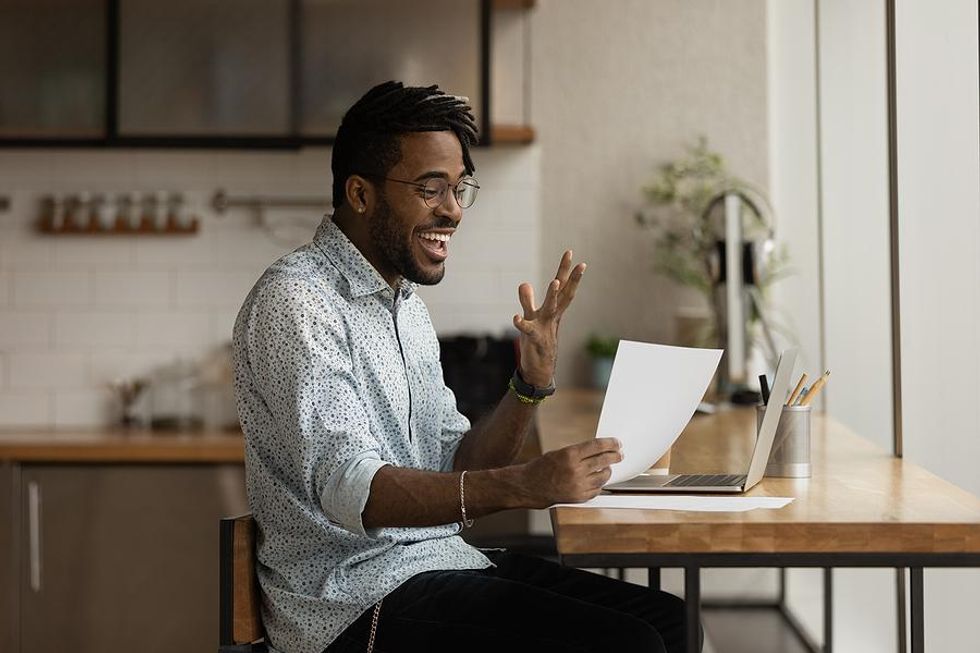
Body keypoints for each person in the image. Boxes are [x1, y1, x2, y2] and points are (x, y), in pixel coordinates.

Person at [233, 81, 694, 653]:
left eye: (458, 189)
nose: (452, 211)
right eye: (431, 189)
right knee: (627, 643)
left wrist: (529, 384)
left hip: (436, 564)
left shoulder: (405, 307)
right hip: (350, 602)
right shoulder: (297, 300)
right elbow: (352, 491)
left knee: (673, 623)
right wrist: (527, 484)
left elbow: (461, 465)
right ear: (359, 194)